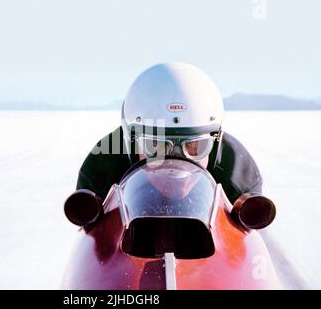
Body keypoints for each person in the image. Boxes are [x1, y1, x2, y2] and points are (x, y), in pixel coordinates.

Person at [76, 62, 262, 204]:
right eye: (156, 145)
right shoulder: (100, 172)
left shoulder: (238, 179)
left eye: (194, 147)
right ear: (130, 143)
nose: (176, 166)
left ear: (215, 145)